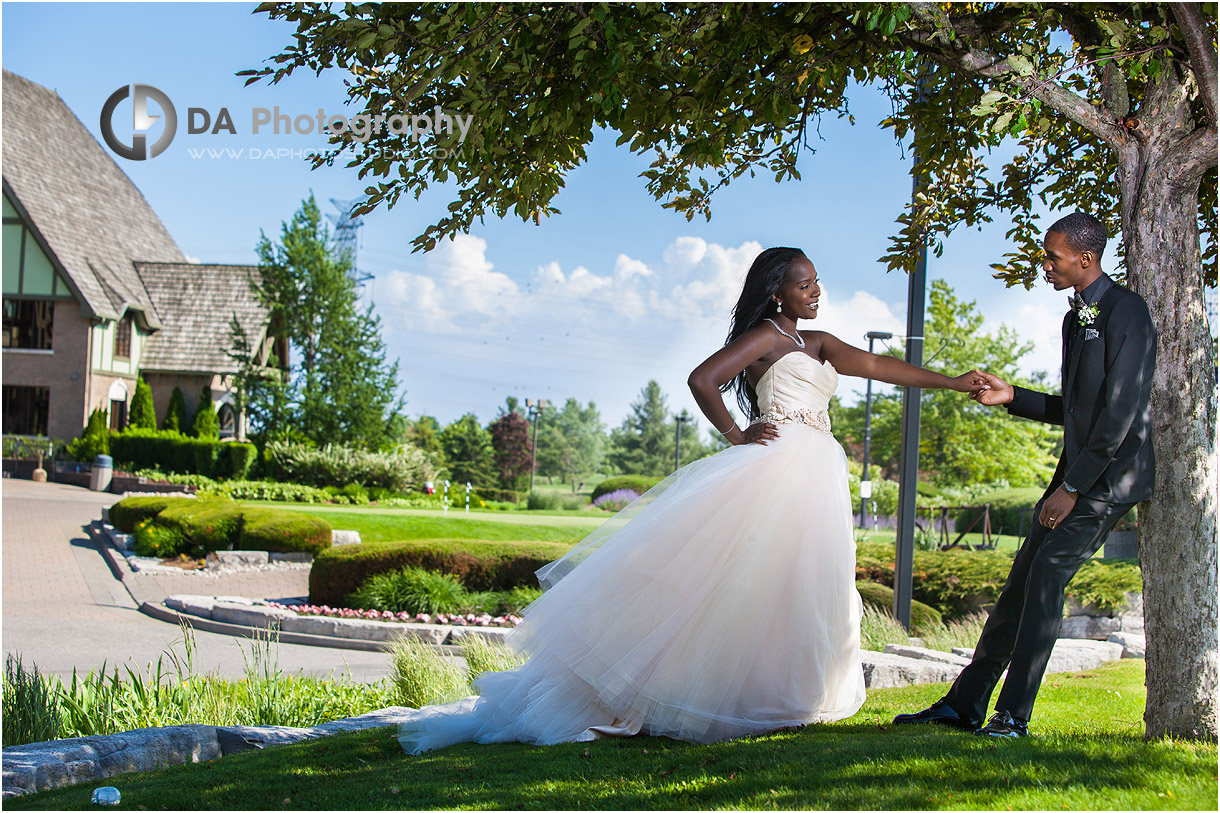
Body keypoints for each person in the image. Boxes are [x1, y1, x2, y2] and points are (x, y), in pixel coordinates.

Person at [397, 246, 986, 754]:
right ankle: (657, 697)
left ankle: (774, 697)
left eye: (817, 282)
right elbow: (702, 379)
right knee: (731, 584)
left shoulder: (819, 341)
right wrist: (737, 433)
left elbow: (880, 366)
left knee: (797, 587)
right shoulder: (765, 339)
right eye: (804, 284)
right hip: (776, 468)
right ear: (775, 292)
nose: (816, 291)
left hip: (817, 472)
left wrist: (954, 383)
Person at [894, 212, 1156, 739]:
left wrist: (1072, 488)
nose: (1044, 266)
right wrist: (1013, 397)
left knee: (1046, 576)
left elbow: (1120, 413)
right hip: (1078, 473)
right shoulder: (1073, 318)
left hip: (1110, 479)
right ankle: (965, 705)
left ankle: (1013, 717)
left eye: (1052, 257)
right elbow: (1079, 410)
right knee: (1019, 583)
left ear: (1086, 258)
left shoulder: (1128, 311)